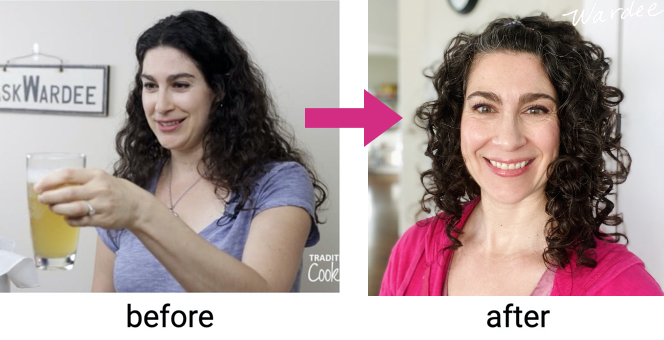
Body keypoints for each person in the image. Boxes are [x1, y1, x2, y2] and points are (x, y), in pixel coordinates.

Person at [33, 10, 327, 292]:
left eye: (180, 85)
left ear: (219, 90)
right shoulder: (132, 185)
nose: (161, 105)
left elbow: (261, 307)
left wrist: (142, 212)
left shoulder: (278, 181)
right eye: (150, 85)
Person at [380, 14, 663, 296]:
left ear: (570, 127)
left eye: (535, 109)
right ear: (457, 122)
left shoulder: (625, 291)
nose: (508, 139)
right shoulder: (412, 250)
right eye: (484, 107)